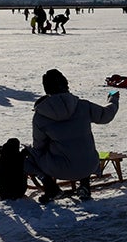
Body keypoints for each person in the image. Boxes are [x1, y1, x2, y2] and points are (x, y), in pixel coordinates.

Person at [24, 69, 119, 202]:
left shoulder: (40, 116)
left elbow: (39, 146)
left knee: (26, 157)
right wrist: (113, 99)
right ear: (66, 85)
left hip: (60, 170)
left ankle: (50, 187)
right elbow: (106, 115)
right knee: (79, 146)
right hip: (90, 165)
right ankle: (84, 186)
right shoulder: (83, 106)